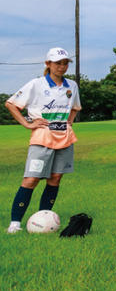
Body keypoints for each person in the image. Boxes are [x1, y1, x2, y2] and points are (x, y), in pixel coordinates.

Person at [5, 47, 81, 234]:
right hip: (42, 137)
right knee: (31, 179)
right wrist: (27, 123)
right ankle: (15, 223)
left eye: (65, 63)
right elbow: (11, 103)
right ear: (48, 64)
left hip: (64, 137)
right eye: (57, 63)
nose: (62, 67)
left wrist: (69, 122)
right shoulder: (36, 84)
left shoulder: (72, 86)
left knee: (55, 178)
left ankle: (43, 219)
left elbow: (75, 107)